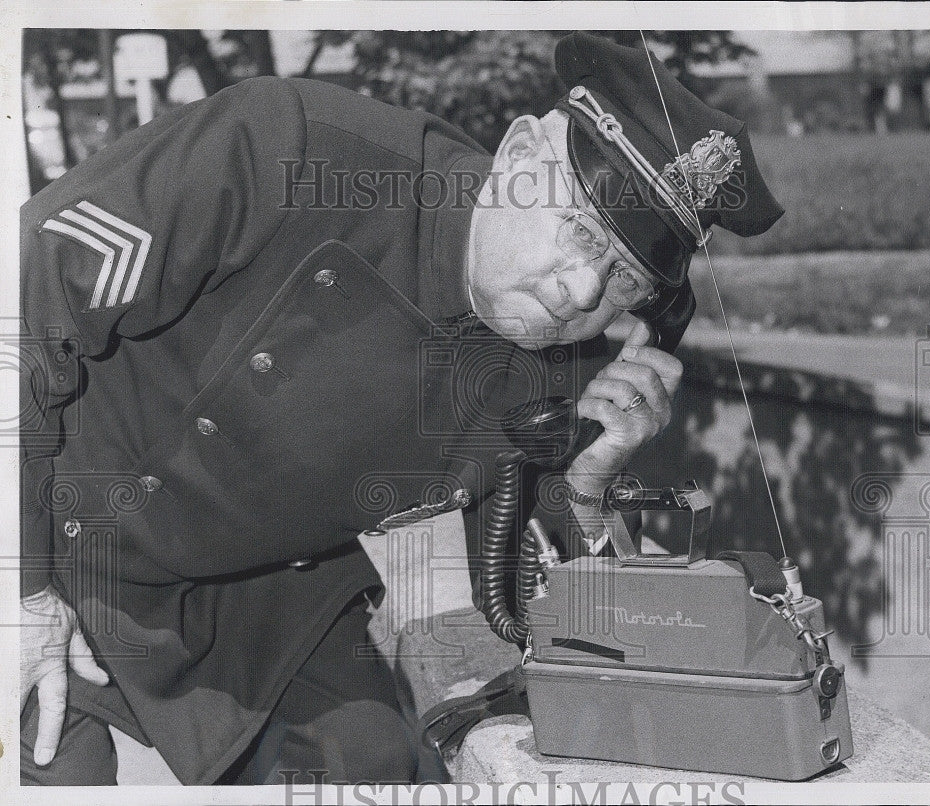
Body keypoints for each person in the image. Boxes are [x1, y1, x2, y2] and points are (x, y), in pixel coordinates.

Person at [19, 31, 782, 785]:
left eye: (623, 280)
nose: (580, 291)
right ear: (519, 157)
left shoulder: (566, 369)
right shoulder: (292, 145)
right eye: (579, 229)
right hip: (48, 506)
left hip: (257, 598)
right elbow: (25, 291)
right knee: (50, 765)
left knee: (380, 771)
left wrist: (585, 485)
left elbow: (550, 631)